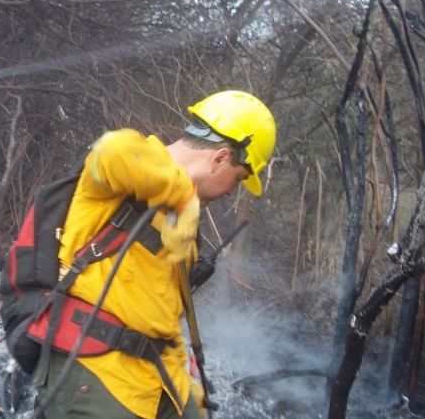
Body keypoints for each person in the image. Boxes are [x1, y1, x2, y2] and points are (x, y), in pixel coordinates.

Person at [36, 90, 276, 418]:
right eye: (239, 177)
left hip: (153, 382)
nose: (233, 190)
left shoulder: (184, 223)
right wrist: (181, 194)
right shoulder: (134, 161)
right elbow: (110, 149)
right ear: (220, 158)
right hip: (93, 378)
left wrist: (186, 390)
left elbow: (162, 317)